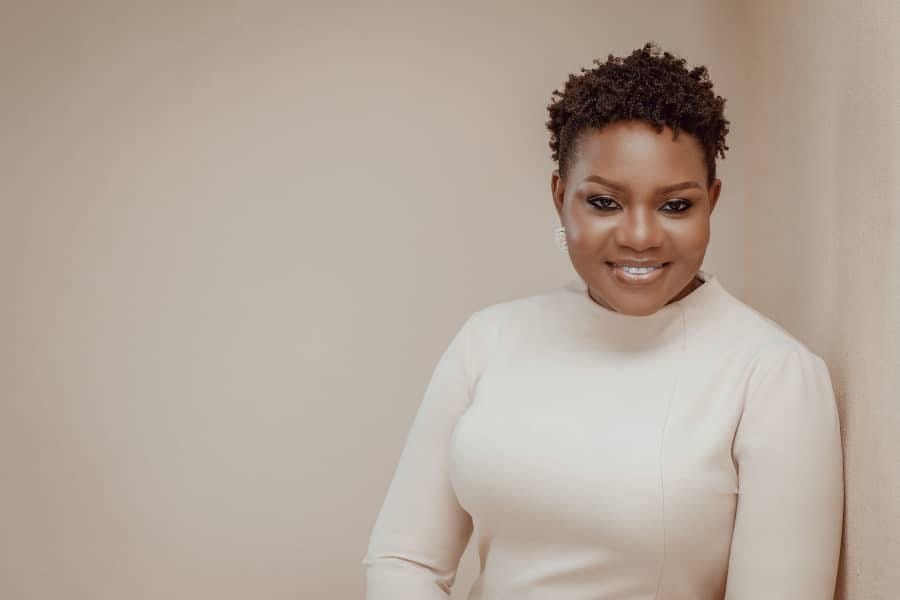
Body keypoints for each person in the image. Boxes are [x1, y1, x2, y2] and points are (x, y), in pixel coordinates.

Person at [361, 41, 844, 599]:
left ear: (711, 201)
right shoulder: (489, 340)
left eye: (676, 205)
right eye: (605, 203)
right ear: (560, 197)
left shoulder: (775, 375)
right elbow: (404, 560)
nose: (640, 236)